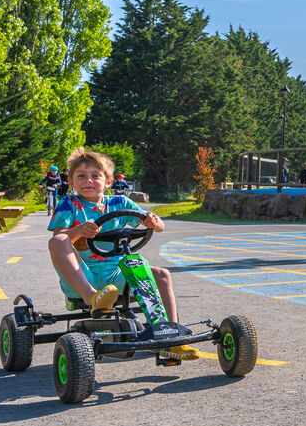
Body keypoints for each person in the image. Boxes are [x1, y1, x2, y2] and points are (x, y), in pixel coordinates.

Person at [47, 147, 197, 361]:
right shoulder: (68, 204)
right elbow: (59, 240)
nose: (88, 181)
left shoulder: (119, 203)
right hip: (82, 276)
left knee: (162, 274)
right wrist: (79, 230)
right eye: (81, 176)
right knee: (58, 240)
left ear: (108, 182)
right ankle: (93, 298)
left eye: (95, 176)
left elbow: (158, 225)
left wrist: (153, 221)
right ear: (71, 182)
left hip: (117, 275)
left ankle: (170, 335)